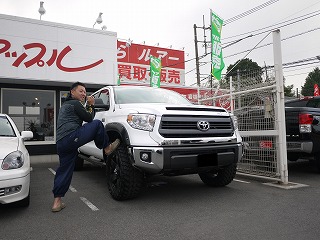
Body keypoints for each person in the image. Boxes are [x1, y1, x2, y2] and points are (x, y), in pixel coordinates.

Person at [51, 82, 120, 212]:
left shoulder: (65, 105)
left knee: (64, 171)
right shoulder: (75, 104)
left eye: (85, 91)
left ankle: (57, 202)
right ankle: (107, 148)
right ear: (72, 92)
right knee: (97, 124)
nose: (83, 93)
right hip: (71, 137)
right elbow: (89, 118)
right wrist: (91, 104)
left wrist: (87, 105)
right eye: (81, 91)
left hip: (61, 143)